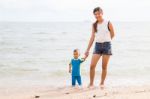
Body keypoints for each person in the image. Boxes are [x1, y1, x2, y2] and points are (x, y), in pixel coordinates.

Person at [84, 7, 115, 89]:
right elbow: (92, 38)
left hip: (107, 46)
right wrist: (87, 50)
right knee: (92, 66)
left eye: (98, 13)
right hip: (97, 46)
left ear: (102, 13)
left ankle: (102, 83)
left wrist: (107, 41)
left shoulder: (108, 23)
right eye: (95, 14)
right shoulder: (94, 25)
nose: (97, 15)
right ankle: (91, 84)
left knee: (104, 67)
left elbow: (113, 34)